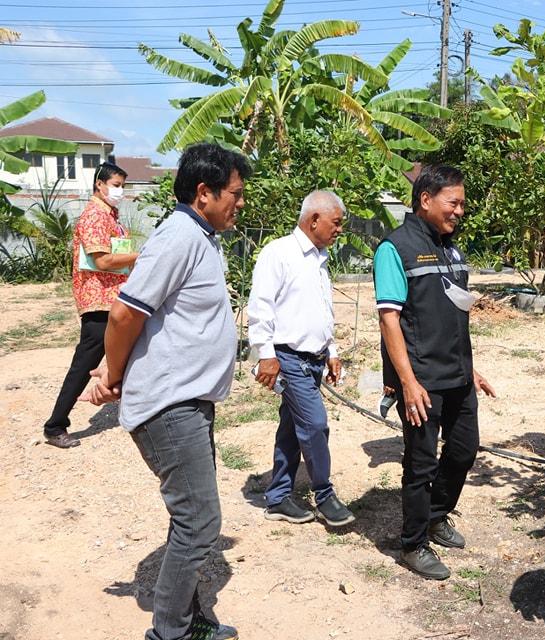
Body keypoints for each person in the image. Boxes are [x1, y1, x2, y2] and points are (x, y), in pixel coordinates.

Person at [86, 142, 251, 640]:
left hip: (189, 401)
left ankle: (190, 620)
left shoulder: (201, 236)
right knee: (200, 522)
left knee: (191, 518)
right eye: (235, 193)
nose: (240, 203)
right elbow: (124, 313)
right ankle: (170, 633)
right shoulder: (178, 236)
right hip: (170, 406)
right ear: (204, 193)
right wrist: (113, 376)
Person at [373, 164, 496, 581]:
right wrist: (407, 382)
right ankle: (413, 543)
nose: (460, 211)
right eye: (453, 203)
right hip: (422, 380)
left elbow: (452, 316)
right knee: (421, 464)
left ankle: (436, 516)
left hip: (459, 376)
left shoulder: (451, 249)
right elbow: (389, 320)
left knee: (464, 450)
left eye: (462, 204)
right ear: (425, 200)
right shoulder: (395, 249)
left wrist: (471, 369)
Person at [246, 190, 354, 527]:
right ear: (314, 220)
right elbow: (260, 307)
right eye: (336, 223)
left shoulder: (320, 258)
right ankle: (324, 494)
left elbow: (322, 310)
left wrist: (331, 351)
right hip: (289, 358)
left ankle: (278, 497)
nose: (340, 230)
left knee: (293, 428)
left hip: (315, 359)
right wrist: (266, 355)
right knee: (315, 424)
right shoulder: (279, 253)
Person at [42, 161, 137, 448]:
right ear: (100, 184)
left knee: (129, 350)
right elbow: (102, 260)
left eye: (123, 186)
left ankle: (134, 406)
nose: (120, 191)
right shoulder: (95, 216)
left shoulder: (110, 215)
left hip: (113, 297)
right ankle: (55, 425)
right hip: (98, 300)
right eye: (116, 185)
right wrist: (139, 257)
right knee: (85, 362)